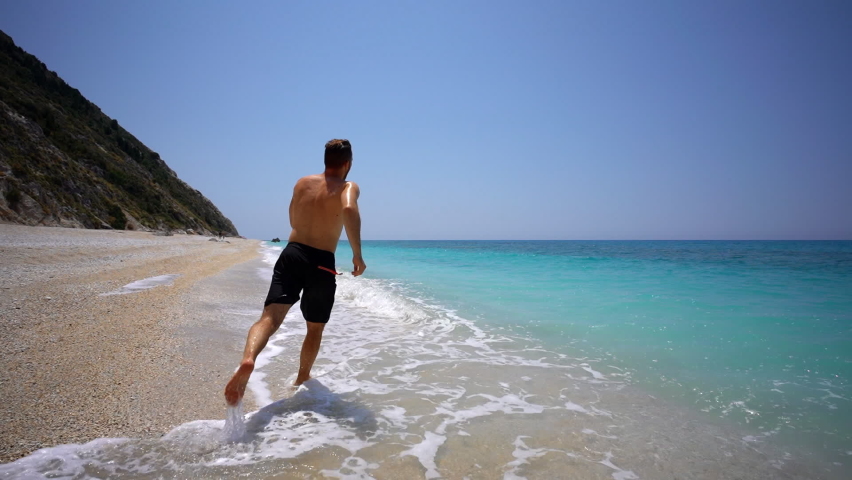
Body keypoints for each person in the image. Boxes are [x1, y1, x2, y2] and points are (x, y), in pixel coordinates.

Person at [224, 139, 365, 406]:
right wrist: (357, 254)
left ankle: (249, 358)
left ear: (326, 161)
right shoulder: (349, 186)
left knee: (270, 317)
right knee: (314, 328)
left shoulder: (302, 183)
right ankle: (302, 378)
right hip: (321, 261)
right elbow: (348, 208)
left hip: (292, 253)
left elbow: (292, 218)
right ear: (347, 163)